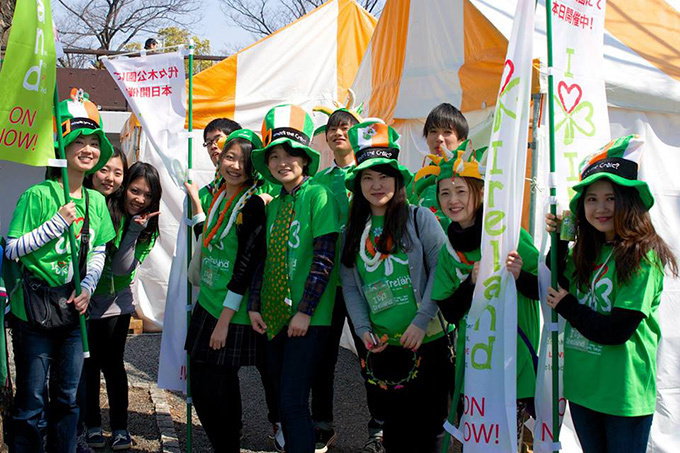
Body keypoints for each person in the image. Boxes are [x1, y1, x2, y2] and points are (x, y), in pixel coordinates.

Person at [544, 135, 677, 453]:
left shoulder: (643, 254)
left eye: (610, 198)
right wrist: (562, 239)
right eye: (591, 199)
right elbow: (555, 280)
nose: (600, 208)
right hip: (582, 387)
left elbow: (617, 331)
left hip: (622, 394)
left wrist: (568, 307)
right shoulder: (586, 249)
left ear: (628, 200)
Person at [4, 90, 116, 452]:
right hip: (33, 310)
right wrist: (55, 224)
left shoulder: (95, 200)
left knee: (68, 398)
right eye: (78, 142)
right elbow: (13, 249)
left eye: (94, 143)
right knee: (32, 400)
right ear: (61, 146)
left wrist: (87, 287)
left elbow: (98, 250)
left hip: (72, 311)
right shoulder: (37, 195)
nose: (88, 149)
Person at [340, 120, 449, 453]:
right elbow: (352, 287)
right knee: (397, 434)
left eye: (384, 175)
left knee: (428, 432)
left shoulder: (420, 218)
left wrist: (421, 321)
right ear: (358, 183)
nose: (376, 185)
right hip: (385, 348)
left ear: (398, 179)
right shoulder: (352, 230)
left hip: (427, 343)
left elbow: (442, 273)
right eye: (368, 177)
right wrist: (362, 329)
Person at [428, 143, 540, 433]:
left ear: (478, 193)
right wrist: (471, 282)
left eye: (461, 191)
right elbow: (450, 311)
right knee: (477, 438)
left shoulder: (508, 234)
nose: (453, 200)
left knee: (505, 438)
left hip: (513, 358)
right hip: (475, 361)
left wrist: (519, 275)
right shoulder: (448, 249)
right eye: (445, 193)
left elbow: (546, 288)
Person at [249, 104, 340, 453]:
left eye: (291, 154)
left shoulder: (319, 196)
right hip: (273, 317)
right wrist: (255, 305)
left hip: (308, 319)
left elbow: (324, 258)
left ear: (304, 159)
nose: (282, 161)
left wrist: (305, 311)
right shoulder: (273, 206)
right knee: (281, 399)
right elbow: (266, 260)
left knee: (293, 402)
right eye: (274, 155)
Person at [184, 129, 279, 452]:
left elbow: (246, 266)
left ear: (253, 168)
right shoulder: (220, 195)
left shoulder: (252, 203)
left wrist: (224, 321)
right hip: (208, 302)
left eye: (242, 160)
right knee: (204, 382)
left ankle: (227, 444)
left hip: (230, 311)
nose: (235, 165)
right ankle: (227, 440)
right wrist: (196, 201)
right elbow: (208, 237)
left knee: (216, 386)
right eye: (229, 156)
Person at [309, 106, 374, 453]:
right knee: (323, 359)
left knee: (372, 355)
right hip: (327, 283)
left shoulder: (371, 176)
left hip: (367, 283)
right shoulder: (317, 181)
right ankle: (322, 425)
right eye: (333, 127)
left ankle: (379, 426)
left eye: (346, 127)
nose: (338, 132)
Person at [84, 162, 161, 450]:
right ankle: (91, 424)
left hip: (118, 304)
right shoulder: (106, 211)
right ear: (125, 189)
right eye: (135, 190)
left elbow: (120, 268)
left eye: (147, 195)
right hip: (87, 301)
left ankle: (120, 428)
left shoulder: (147, 228)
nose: (140, 199)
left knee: (113, 366)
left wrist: (132, 232)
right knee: (88, 366)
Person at [408, 103, 469, 230]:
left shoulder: (473, 180)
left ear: (461, 140)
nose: (439, 138)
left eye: (447, 132)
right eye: (433, 131)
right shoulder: (413, 182)